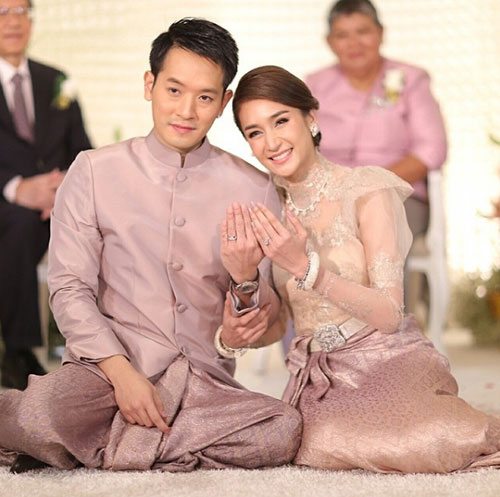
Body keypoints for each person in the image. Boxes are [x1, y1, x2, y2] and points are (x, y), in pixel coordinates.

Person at [0, 19, 301, 473]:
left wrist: (244, 284)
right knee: (39, 414)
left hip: (201, 382)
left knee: (282, 428)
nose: (186, 111)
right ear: (149, 85)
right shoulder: (93, 171)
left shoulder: (255, 188)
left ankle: (111, 445)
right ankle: (154, 442)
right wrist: (123, 376)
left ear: (224, 103)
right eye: (174, 90)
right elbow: (69, 288)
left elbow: (263, 315)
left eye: (204, 98)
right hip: (102, 372)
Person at [229, 64, 500, 473]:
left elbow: (390, 314)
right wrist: (242, 290)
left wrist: (306, 267)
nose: (271, 142)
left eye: (280, 121)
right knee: (317, 441)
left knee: (427, 438)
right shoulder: (268, 212)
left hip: (383, 356)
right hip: (318, 379)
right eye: (254, 132)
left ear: (311, 118)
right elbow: (278, 325)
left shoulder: (366, 189)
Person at [0, 0, 92, 390]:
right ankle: (18, 351)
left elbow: (84, 150)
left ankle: (96, 348)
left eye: (21, 11)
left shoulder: (56, 80)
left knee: (105, 224)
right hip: (8, 206)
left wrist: (62, 191)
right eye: (2, 12)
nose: (13, 21)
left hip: (56, 205)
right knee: (19, 223)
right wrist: (17, 188)